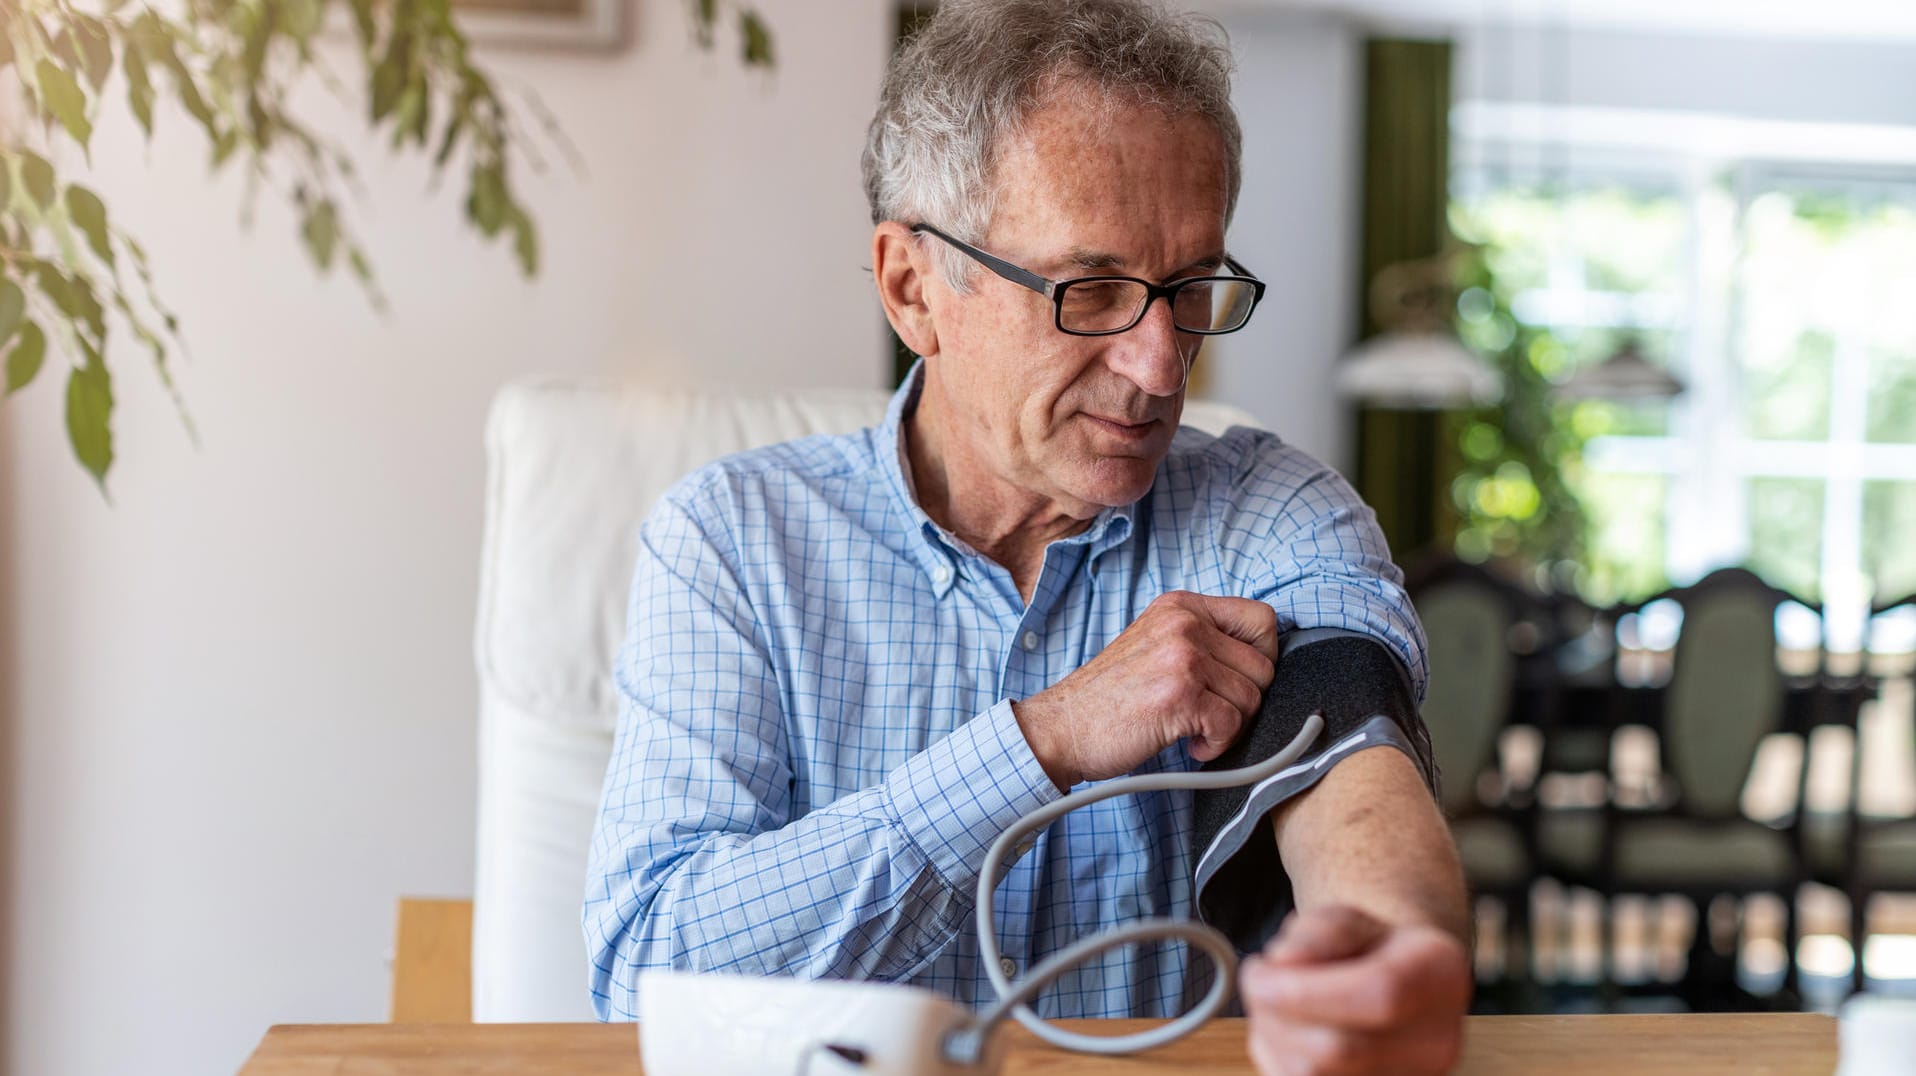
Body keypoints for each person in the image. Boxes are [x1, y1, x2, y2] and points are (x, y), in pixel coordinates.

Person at [584, 0, 1471, 1071]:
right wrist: (1040, 739)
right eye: (1090, 290)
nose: (1159, 365)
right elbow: (645, 974)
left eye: (1189, 288)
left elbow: (1353, 764)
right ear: (914, 287)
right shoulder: (731, 542)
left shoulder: (1271, 512)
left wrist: (1388, 947)